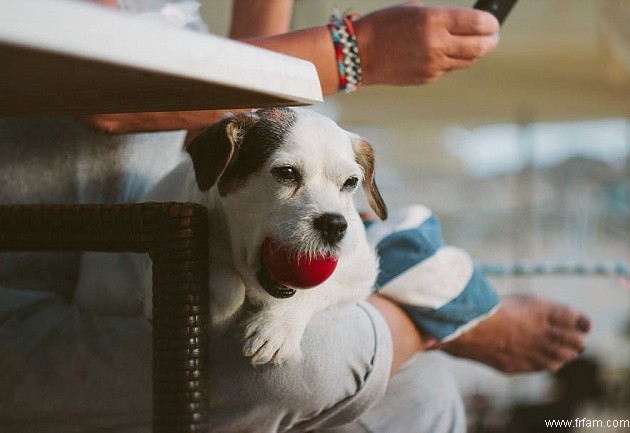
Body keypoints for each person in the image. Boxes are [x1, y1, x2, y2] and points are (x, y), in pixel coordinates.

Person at [0, 1, 590, 432]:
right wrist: (358, 50)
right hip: (31, 301)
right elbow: (107, 93)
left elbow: (257, 115)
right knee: (308, 368)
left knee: (422, 394)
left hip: (188, 265)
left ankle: (415, 313)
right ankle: (435, 317)